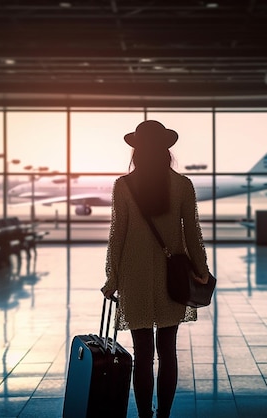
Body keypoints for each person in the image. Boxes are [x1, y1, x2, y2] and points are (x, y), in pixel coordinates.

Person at [101, 120, 210, 418]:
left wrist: (113, 277)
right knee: (168, 351)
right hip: (171, 278)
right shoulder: (182, 185)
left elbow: (117, 235)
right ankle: (163, 414)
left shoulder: (124, 186)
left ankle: (145, 416)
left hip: (134, 278)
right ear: (166, 150)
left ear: (136, 151)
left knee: (143, 354)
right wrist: (202, 270)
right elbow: (193, 234)